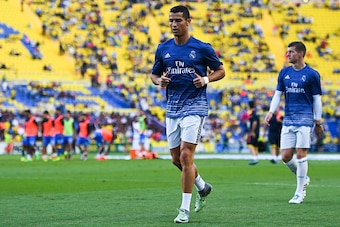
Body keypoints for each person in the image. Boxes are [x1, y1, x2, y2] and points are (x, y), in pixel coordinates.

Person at [150, 5, 225, 223]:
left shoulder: (202, 48)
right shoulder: (163, 49)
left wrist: (206, 79)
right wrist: (159, 81)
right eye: (171, 21)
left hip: (195, 106)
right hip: (172, 109)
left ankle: (184, 210)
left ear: (188, 21)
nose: (174, 25)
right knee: (177, 160)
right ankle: (202, 187)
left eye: (178, 21)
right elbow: (154, 75)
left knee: (185, 155)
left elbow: (221, 70)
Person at [265, 41, 324, 204]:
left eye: (290, 52)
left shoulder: (312, 74)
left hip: (305, 120)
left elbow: (317, 99)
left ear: (300, 53)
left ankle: (299, 193)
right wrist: (271, 112)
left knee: (300, 154)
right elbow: (277, 94)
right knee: (285, 156)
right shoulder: (284, 73)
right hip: (288, 119)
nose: (288, 54)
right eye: (287, 52)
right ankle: (304, 178)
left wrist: (317, 121)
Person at [247, 100, 260, 165]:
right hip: (257, 131)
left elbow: (254, 123)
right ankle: (256, 159)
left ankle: (254, 158)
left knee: (249, 144)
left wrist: (252, 131)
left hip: (253, 131)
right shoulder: (256, 112)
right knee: (255, 145)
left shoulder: (252, 113)